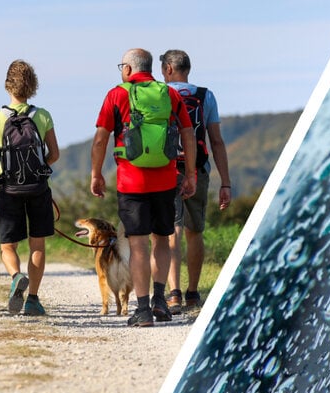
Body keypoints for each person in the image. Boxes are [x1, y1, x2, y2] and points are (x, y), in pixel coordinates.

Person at [90, 48, 197, 327]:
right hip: (165, 180)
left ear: (127, 69)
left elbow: (101, 139)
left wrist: (96, 173)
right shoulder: (170, 94)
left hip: (131, 182)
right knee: (162, 239)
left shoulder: (117, 94)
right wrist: (191, 176)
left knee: (137, 245)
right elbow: (188, 133)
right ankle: (161, 300)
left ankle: (143, 310)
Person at [0, 59, 59, 316]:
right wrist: (38, 167)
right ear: (32, 85)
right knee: (38, 245)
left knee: (8, 246)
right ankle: (33, 300)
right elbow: (55, 154)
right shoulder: (43, 115)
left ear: (8, 85)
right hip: (38, 188)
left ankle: (16, 276)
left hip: (8, 188)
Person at [159, 50, 232, 315]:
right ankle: (193, 293)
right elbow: (217, 141)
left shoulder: (160, 94)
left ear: (168, 69)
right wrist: (226, 182)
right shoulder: (205, 96)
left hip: (167, 170)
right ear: (187, 68)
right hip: (198, 170)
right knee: (194, 231)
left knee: (172, 231)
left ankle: (173, 293)